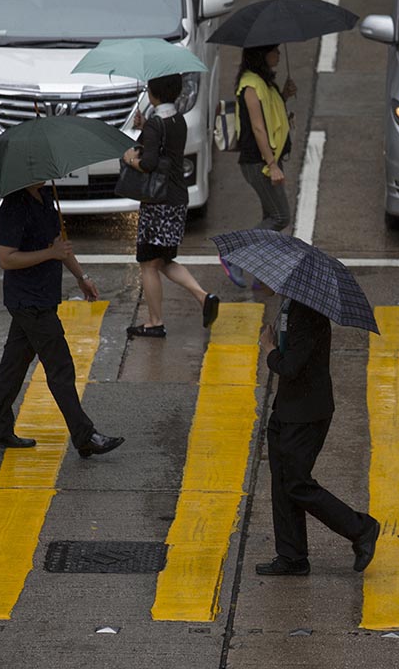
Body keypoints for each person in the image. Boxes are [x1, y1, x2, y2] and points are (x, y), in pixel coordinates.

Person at [0, 182, 124, 458]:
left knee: (13, 367)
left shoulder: (46, 196)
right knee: (60, 368)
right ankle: (84, 435)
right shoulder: (14, 205)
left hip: (43, 297)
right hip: (28, 301)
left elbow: (59, 243)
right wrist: (51, 254)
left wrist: (81, 277)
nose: (47, 175)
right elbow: (6, 258)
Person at [256, 292, 380, 576]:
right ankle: (292, 556)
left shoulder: (308, 312)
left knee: (297, 483)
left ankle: (361, 528)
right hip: (287, 409)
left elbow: (290, 367)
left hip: (306, 414)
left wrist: (269, 350)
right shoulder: (291, 304)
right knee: (283, 484)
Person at [122, 74, 219, 337]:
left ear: (153, 93)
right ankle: (203, 296)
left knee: (148, 263)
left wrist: (130, 159)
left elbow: (149, 163)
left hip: (158, 204)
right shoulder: (177, 120)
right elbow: (162, 149)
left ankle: (155, 322)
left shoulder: (157, 124)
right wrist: (145, 128)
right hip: (176, 198)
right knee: (164, 260)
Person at [220, 45, 297, 288]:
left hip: (263, 161)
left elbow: (268, 114)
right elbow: (258, 127)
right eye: (274, 50)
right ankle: (234, 253)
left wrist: (283, 96)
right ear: (261, 54)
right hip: (258, 163)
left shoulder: (264, 82)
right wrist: (272, 164)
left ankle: (261, 277)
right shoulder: (251, 84)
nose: (279, 54)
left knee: (269, 217)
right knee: (280, 216)